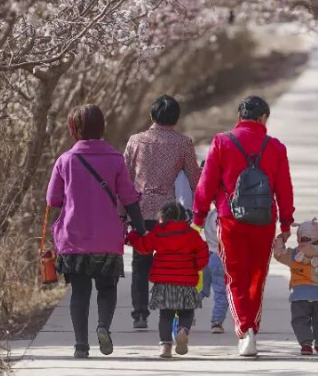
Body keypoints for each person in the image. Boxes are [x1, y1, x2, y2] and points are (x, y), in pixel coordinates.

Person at [193, 95, 295, 357]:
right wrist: (286, 222)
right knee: (257, 275)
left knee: (235, 276)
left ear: (239, 117)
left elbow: (206, 184)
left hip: (230, 219)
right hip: (264, 220)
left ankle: (245, 331)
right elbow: (284, 187)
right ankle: (252, 326)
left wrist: (198, 217)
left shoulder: (222, 142)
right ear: (263, 119)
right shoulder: (275, 147)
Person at [46, 104, 146, 359]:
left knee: (80, 292)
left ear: (73, 128)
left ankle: (81, 345)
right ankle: (103, 326)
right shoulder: (115, 159)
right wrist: (140, 227)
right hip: (107, 237)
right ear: (102, 127)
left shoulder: (65, 160)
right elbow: (129, 197)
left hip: (74, 238)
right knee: (107, 287)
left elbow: (53, 200)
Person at [124, 95, 201, 330]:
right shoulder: (183, 143)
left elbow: (125, 177)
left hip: (140, 211)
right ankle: (173, 310)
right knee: (172, 263)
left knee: (140, 264)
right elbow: (194, 177)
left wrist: (123, 213)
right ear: (176, 118)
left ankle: (139, 314)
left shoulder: (136, 141)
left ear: (151, 116)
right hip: (170, 215)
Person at [127, 202, 209, 359]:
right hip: (186, 282)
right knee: (186, 312)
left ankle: (165, 346)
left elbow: (144, 246)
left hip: (164, 282)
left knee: (165, 315)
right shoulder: (191, 233)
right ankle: (183, 330)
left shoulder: (158, 232)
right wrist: (196, 266)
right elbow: (202, 252)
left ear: (162, 217)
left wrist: (131, 235)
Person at [273, 219, 318, 355]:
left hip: (300, 294)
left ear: (299, 238)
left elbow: (278, 254)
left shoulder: (292, 255)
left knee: (300, 319)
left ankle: (306, 344)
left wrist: (280, 239)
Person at [200, 207, 229, 334]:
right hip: (221, 256)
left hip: (209, 255)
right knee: (221, 292)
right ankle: (217, 321)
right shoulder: (226, 215)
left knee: (201, 289)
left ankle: (184, 313)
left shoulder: (210, 214)